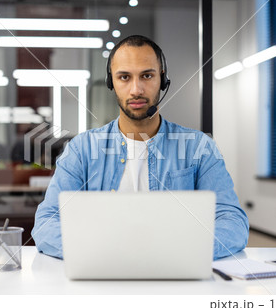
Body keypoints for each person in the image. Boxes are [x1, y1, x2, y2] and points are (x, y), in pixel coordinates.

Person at [32, 35, 249, 260]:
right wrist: (102, 253)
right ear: (111, 83)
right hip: (103, 276)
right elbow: (47, 222)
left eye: (147, 75)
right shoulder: (81, 149)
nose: (136, 89)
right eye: (124, 77)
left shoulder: (199, 147)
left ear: (163, 80)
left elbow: (232, 222)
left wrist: (176, 251)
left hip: (175, 275)